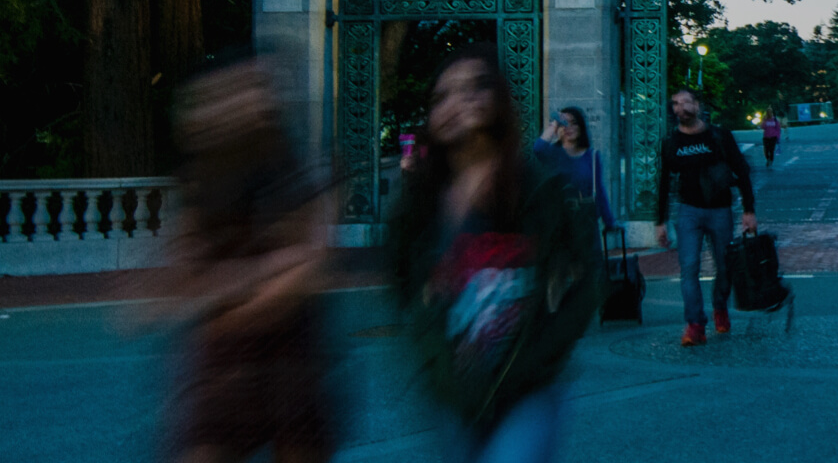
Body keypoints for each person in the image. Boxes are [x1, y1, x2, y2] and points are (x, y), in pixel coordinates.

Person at [385, 44, 604, 463]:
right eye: (442, 96)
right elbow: (400, 275)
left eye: (474, 88)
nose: (456, 103)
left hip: (528, 386)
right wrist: (427, 344)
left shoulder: (538, 186)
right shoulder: (420, 197)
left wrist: (548, 350)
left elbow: (588, 272)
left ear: (498, 100)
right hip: (456, 392)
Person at [157, 49, 340, 463]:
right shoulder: (198, 182)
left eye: (256, 89)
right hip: (222, 364)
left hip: (293, 357)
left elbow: (306, 270)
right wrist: (267, 272)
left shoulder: (292, 175)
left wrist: (228, 288)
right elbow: (173, 287)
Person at [654, 88, 758, 346]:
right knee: (689, 268)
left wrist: (748, 210)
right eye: (676, 104)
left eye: (686, 102)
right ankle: (695, 324)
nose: (681, 108)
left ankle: (720, 306)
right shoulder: (671, 143)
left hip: (720, 210)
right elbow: (664, 183)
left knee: (725, 267)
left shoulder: (719, 136)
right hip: (688, 211)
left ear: (698, 106)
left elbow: (742, 171)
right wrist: (660, 221)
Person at [533, 106, 615, 228]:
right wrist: (554, 125)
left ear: (580, 127)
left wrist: (609, 221)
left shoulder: (592, 156)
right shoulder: (553, 154)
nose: (568, 128)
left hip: (585, 223)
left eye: (573, 123)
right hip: (559, 223)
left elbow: (599, 189)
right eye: (564, 123)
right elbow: (538, 149)